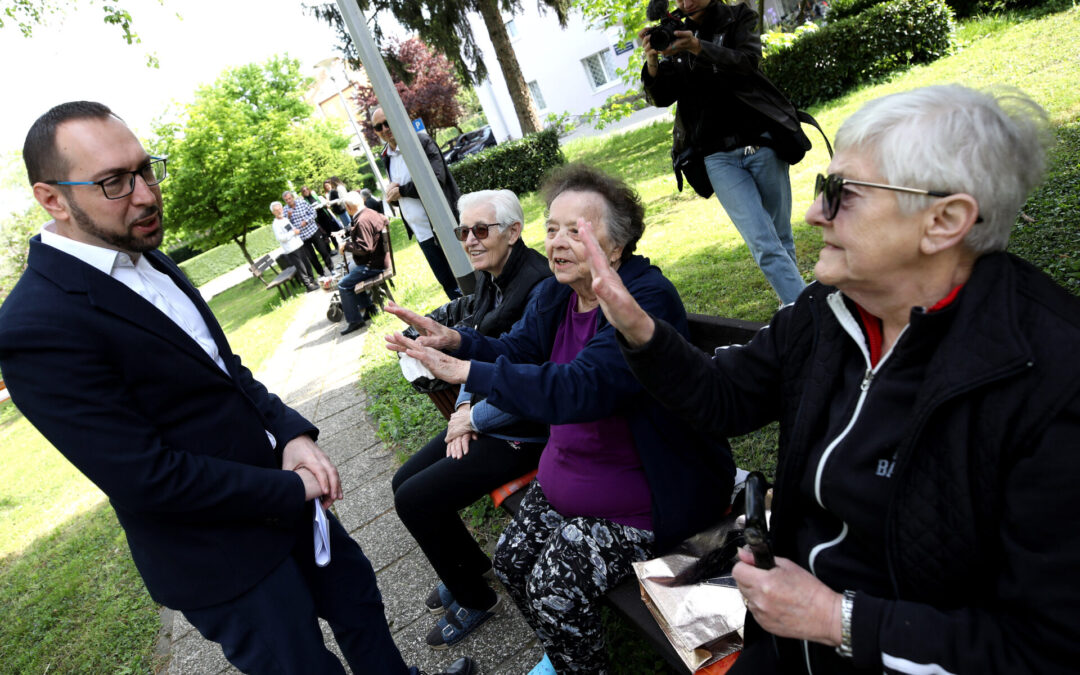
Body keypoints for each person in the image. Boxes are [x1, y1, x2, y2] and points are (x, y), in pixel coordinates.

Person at [580, 85, 1080, 674]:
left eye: (842, 193)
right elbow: (726, 398)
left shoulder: (1050, 381)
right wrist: (640, 329)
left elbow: (1047, 648)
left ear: (943, 221)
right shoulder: (829, 309)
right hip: (786, 635)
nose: (815, 212)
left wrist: (833, 618)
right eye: (824, 187)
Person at [0, 101, 475, 675]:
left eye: (146, 169)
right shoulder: (35, 325)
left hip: (290, 497)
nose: (146, 194)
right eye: (114, 183)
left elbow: (226, 372)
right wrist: (292, 489)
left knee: (361, 608)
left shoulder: (147, 254)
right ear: (52, 198)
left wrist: (291, 432)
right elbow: (147, 476)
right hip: (222, 558)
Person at [385, 164, 735, 673]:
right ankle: (565, 651)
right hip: (574, 475)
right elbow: (519, 350)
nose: (558, 242)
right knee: (509, 560)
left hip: (651, 494)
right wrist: (457, 341)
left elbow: (582, 389)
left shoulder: (642, 298)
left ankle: (580, 666)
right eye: (552, 228)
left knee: (552, 586)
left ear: (616, 245)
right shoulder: (560, 291)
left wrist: (466, 370)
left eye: (578, 230)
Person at [390, 189, 553, 650]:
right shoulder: (491, 274)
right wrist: (462, 409)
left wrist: (475, 418)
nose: (470, 241)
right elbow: (476, 347)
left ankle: (475, 598)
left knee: (417, 500)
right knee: (405, 480)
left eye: (481, 230)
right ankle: (465, 569)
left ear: (514, 231)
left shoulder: (540, 286)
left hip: (526, 428)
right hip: (488, 414)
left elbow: (532, 379)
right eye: (464, 231)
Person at [641, 0, 808, 305]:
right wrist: (653, 61)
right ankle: (807, 315)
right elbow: (662, 96)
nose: (684, 2)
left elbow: (747, 63)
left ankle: (792, 309)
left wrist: (697, 48)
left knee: (780, 237)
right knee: (763, 242)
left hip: (761, 141)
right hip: (715, 155)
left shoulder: (738, 16)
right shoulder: (676, 27)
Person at [373, 107, 463, 300]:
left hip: (445, 225)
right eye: (379, 127)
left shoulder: (420, 142)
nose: (385, 129)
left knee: (468, 274)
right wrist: (393, 198)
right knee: (449, 285)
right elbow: (402, 193)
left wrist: (402, 191)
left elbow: (437, 179)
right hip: (423, 234)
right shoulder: (387, 156)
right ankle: (469, 324)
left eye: (387, 122)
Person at [337, 191, 391, 336]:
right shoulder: (370, 213)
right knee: (352, 271)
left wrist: (346, 246)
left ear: (348, 207)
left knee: (343, 284)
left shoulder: (362, 221)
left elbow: (364, 248)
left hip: (373, 265)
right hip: (380, 259)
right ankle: (370, 308)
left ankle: (355, 321)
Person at [283, 189, 335, 278]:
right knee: (312, 257)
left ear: (292, 197)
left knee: (323, 251)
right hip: (302, 237)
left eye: (289, 198)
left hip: (313, 231)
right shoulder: (285, 210)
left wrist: (306, 221)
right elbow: (286, 226)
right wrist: (288, 217)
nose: (288, 201)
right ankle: (321, 274)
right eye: (286, 200)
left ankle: (331, 269)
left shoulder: (302, 203)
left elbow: (313, 213)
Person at [270, 200, 319, 292]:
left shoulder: (284, 219)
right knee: (301, 267)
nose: (279, 211)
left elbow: (291, 229)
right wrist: (293, 232)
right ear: (273, 212)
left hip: (299, 244)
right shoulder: (275, 224)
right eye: (276, 210)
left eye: (280, 208)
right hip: (292, 249)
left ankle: (312, 281)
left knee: (307, 264)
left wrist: (295, 231)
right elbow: (281, 238)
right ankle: (308, 285)